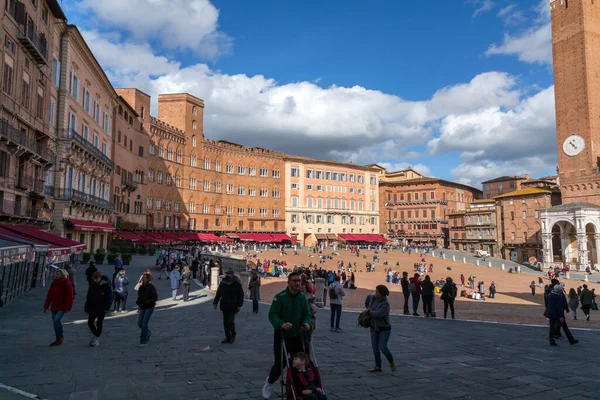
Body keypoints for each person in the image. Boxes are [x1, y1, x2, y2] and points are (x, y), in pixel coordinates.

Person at [262, 272, 312, 399]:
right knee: (280, 364)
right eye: (295, 280)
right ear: (288, 282)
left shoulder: (302, 298)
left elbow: (307, 314)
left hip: (297, 335)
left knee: (300, 363)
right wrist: (281, 324)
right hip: (282, 336)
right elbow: (272, 314)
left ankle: (296, 387)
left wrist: (306, 323)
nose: (297, 283)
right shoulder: (280, 297)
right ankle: (269, 382)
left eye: (299, 281)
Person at [364, 285, 396, 373]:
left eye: (377, 291)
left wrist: (369, 311)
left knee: (383, 347)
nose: (375, 293)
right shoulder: (373, 298)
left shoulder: (386, 304)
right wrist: (367, 306)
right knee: (375, 347)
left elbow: (378, 314)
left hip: (384, 328)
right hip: (374, 327)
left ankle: (391, 362)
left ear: (381, 294)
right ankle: (378, 366)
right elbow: (368, 298)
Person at [43, 269, 74, 346]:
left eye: (58, 274)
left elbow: (70, 297)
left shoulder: (67, 284)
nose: (56, 275)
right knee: (55, 323)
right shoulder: (54, 283)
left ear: (62, 275)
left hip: (62, 305)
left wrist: (68, 307)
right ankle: (58, 338)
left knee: (56, 320)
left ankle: (60, 337)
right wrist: (45, 306)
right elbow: (49, 295)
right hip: (54, 305)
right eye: (56, 274)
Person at [213, 269, 244, 343]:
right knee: (225, 322)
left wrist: (239, 305)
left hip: (233, 305)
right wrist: (215, 302)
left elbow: (241, 295)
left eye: (229, 274)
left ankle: (233, 335)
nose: (227, 276)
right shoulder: (223, 283)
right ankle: (227, 336)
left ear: (232, 275)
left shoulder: (237, 284)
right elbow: (218, 293)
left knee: (230, 321)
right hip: (224, 304)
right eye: (226, 274)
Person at [85, 271, 112, 347]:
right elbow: (88, 297)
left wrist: (107, 307)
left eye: (96, 279)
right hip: (92, 307)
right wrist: (86, 308)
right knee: (90, 322)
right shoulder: (92, 285)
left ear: (100, 278)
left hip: (101, 307)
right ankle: (96, 335)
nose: (95, 280)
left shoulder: (106, 285)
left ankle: (96, 337)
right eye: (94, 279)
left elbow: (109, 297)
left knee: (99, 323)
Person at [136, 273, 157, 347]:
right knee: (139, 324)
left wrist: (147, 302)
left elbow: (154, 297)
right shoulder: (141, 287)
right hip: (142, 307)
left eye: (144, 278)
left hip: (149, 306)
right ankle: (148, 333)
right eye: (142, 277)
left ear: (148, 279)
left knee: (144, 324)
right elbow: (139, 296)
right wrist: (138, 303)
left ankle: (143, 341)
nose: (142, 279)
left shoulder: (151, 287)